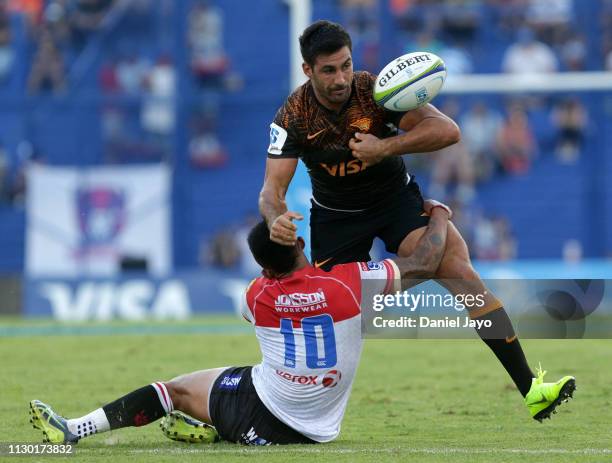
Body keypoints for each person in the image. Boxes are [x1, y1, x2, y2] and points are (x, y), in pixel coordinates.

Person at [259, 20, 575, 420]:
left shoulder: (374, 92)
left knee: (462, 274)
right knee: (330, 320)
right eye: (329, 70)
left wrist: (385, 147)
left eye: (346, 65)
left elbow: (447, 130)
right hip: (336, 218)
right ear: (308, 70)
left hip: (395, 203)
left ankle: (532, 389)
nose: (341, 78)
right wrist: (274, 219)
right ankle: (271, 405)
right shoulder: (293, 116)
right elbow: (272, 192)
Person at [30, 201, 456, 445]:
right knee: (235, 381)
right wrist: (438, 214)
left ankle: (74, 429)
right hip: (318, 430)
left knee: (174, 389)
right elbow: (425, 261)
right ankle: (208, 427)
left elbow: (274, 274)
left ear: (263, 267)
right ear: (300, 243)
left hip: (257, 411)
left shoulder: (256, 295)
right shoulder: (350, 282)